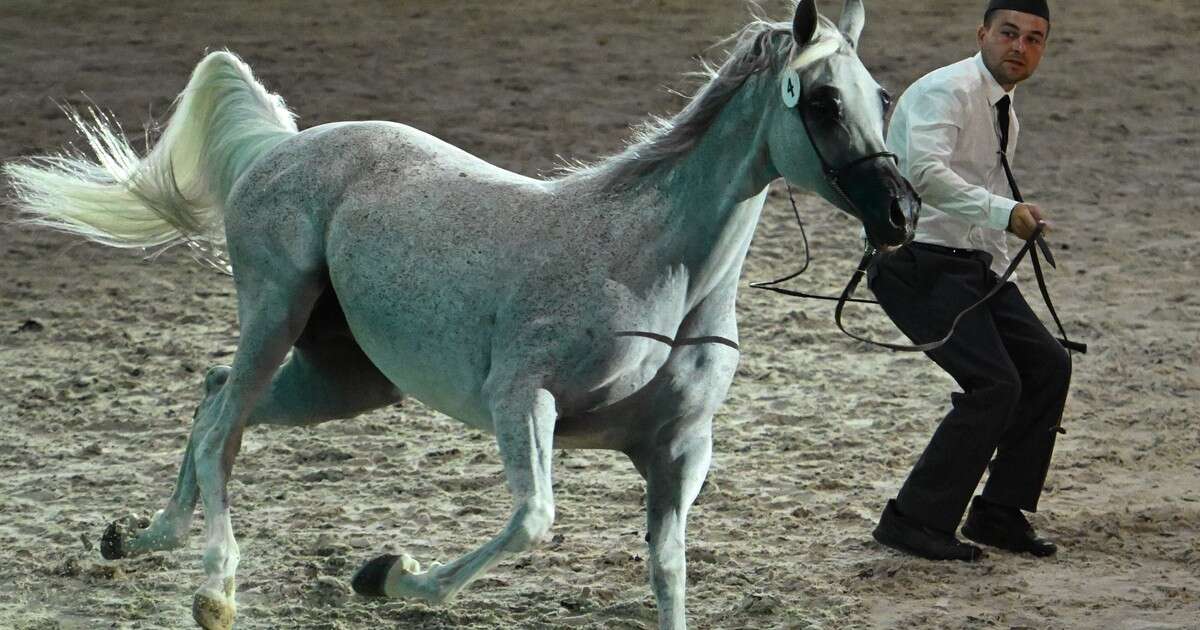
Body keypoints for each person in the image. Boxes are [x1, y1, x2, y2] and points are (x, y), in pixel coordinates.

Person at [868, 0, 1070, 561]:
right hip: (916, 264)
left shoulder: (1005, 107)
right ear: (982, 33)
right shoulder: (948, 91)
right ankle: (912, 521)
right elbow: (924, 174)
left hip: (967, 264)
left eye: (1034, 39)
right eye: (1009, 33)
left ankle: (998, 514)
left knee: (1048, 364)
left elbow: (977, 198)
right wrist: (1005, 213)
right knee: (995, 385)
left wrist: (1001, 255)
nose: (1020, 47)